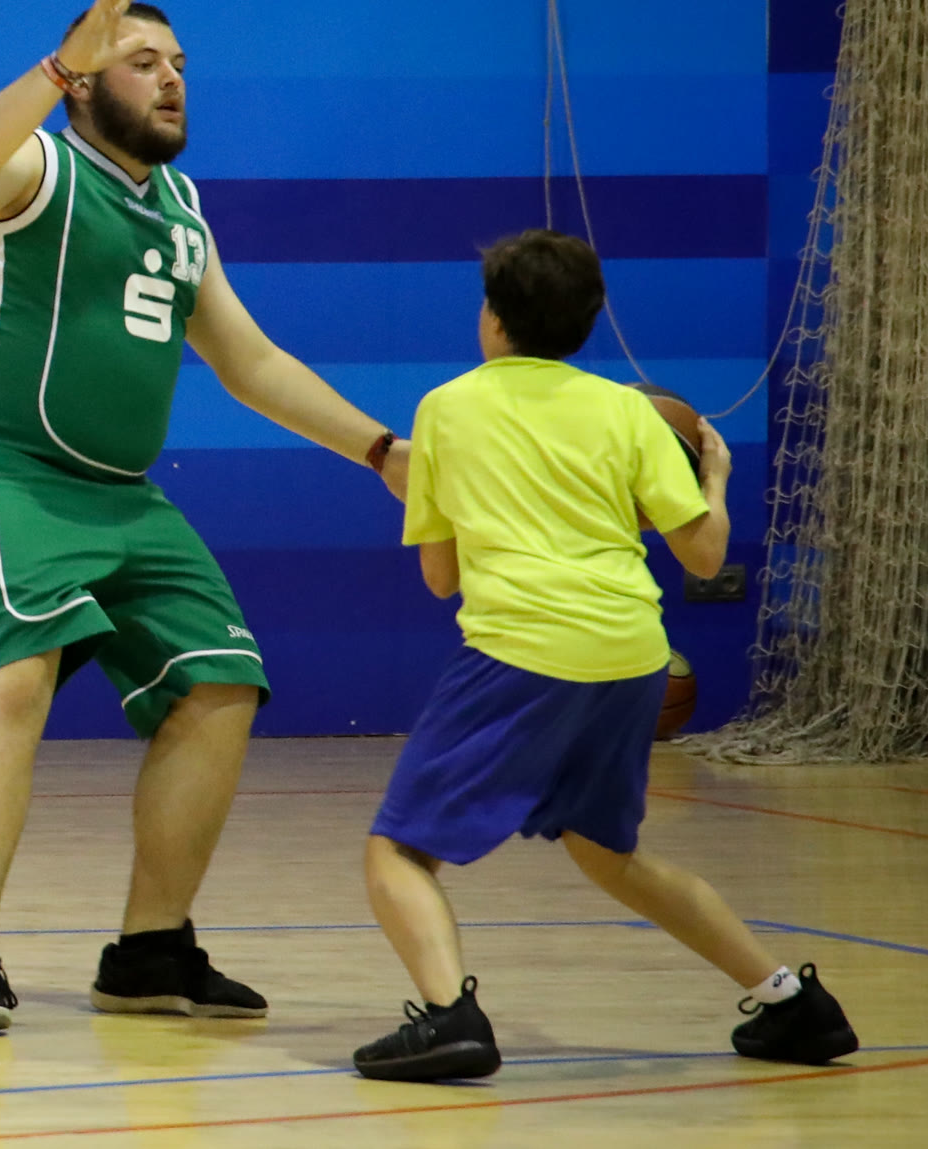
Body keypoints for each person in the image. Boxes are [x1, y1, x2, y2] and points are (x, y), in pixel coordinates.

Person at [0, 0, 408, 1030]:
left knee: (221, 681)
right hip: (0, 463)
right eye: (142, 63)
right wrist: (57, 65)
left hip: (122, 496)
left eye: (179, 66)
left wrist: (378, 450)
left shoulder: (179, 208)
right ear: (84, 83)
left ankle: (148, 950)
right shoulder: (38, 167)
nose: (171, 80)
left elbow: (250, 361)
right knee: (16, 674)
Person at [353, 228, 860, 1080]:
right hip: (632, 653)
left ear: (493, 318)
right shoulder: (630, 411)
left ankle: (448, 1019)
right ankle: (793, 1002)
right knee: (607, 852)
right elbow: (705, 555)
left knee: (397, 849)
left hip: (522, 649)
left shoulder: (444, 408)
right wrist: (715, 480)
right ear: (588, 322)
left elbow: (441, 578)